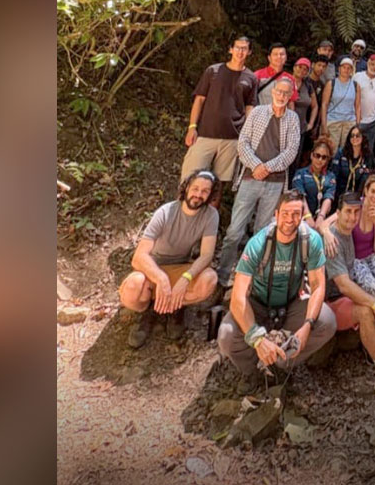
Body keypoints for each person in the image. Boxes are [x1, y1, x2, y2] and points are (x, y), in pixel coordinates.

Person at [216, 191, 336, 386]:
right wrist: (257, 339)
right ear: (276, 214)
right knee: (227, 335)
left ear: (302, 215)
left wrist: (307, 325)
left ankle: (282, 362)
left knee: (327, 321)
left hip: (291, 303)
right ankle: (252, 371)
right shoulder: (258, 244)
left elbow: (318, 285)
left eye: (296, 214)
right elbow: (238, 297)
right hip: (258, 304)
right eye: (286, 214)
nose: (290, 220)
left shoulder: (310, 240)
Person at [119, 171, 222, 348]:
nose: (198, 194)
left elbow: (206, 255)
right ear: (187, 187)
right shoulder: (166, 212)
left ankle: (174, 306)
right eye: (195, 188)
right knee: (132, 289)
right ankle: (149, 311)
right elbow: (139, 257)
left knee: (209, 279)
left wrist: (186, 278)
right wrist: (161, 279)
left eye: (205, 191)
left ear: (211, 194)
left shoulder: (210, 215)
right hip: (154, 268)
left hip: (179, 267)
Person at [321, 192, 375, 398]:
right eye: (347, 212)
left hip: (344, 297)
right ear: (338, 213)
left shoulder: (348, 232)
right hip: (330, 301)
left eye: (355, 213)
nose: (352, 217)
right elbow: (343, 285)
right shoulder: (333, 241)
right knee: (366, 310)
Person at [217, 79, 301, 286]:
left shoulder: (293, 119)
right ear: (272, 92)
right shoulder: (257, 113)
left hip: (275, 183)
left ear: (290, 96)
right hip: (250, 177)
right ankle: (222, 275)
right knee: (234, 231)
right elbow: (243, 142)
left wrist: (267, 168)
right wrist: (256, 166)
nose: (281, 96)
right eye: (278, 92)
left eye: (286, 93)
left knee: (262, 232)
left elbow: (291, 151)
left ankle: (250, 276)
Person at [181, 36, 258, 207]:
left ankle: (209, 223)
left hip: (232, 138)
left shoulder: (251, 78)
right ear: (230, 49)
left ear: (249, 52)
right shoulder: (213, 71)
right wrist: (192, 127)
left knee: (218, 183)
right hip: (205, 134)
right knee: (191, 177)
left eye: (244, 48)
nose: (240, 51)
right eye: (237, 47)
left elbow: (249, 107)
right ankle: (183, 217)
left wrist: (246, 135)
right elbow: (199, 100)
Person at [291, 137, 336, 231]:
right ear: (311, 155)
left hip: (322, 219)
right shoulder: (300, 174)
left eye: (324, 157)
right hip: (302, 218)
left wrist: (321, 217)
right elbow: (300, 196)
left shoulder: (331, 177)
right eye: (317, 155)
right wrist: (307, 216)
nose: (320, 160)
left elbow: (328, 198)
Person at [320, 57, 361, 152]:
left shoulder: (356, 85)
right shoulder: (331, 83)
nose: (346, 70)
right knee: (331, 150)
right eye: (344, 67)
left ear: (352, 70)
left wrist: (358, 125)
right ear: (339, 68)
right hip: (333, 121)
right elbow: (324, 105)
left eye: (349, 68)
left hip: (349, 123)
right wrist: (324, 125)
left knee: (346, 151)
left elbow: (357, 106)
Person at [330, 125, 375, 197]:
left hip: (358, 193)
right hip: (340, 191)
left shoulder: (368, 155)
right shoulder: (341, 152)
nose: (354, 138)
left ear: (362, 137)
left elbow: (368, 176)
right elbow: (334, 173)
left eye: (357, 135)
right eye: (352, 136)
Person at [354, 53, 375, 155]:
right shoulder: (357, 77)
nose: (374, 67)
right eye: (372, 64)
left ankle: (367, 169)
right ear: (368, 63)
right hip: (358, 120)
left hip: (372, 121)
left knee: (369, 149)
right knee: (354, 147)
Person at [291, 57, 318, 149]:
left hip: (301, 128)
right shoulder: (285, 81)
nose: (302, 71)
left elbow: (315, 106)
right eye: (300, 67)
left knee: (296, 157)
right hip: (283, 126)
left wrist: (310, 123)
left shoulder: (308, 86)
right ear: (294, 67)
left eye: (305, 69)